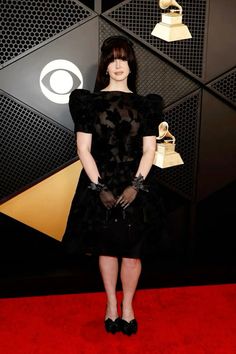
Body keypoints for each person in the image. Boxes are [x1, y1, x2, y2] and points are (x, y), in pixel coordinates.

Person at [63, 35, 165, 335]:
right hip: (100, 181)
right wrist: (99, 188)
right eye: (112, 59)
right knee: (106, 247)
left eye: (123, 59)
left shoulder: (147, 104)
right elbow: (83, 149)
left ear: (130, 65)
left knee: (133, 252)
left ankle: (129, 306)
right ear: (105, 65)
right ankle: (111, 305)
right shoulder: (87, 102)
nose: (118, 64)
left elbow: (150, 150)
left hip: (137, 184)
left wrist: (136, 185)